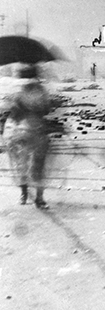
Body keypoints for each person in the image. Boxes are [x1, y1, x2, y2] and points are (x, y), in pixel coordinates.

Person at [2, 64, 55, 208]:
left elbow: (12, 111)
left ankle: (24, 194)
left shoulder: (17, 91)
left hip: (18, 132)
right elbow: (47, 109)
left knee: (21, 164)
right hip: (37, 130)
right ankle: (39, 198)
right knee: (38, 164)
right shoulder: (41, 90)